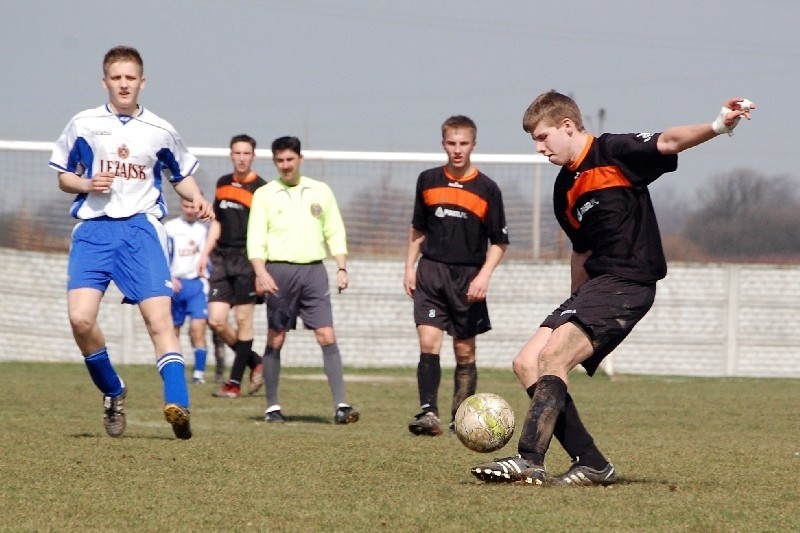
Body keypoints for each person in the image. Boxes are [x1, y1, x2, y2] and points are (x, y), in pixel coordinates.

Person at [471, 92, 755, 486]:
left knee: (553, 357)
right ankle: (592, 463)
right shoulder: (563, 189)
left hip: (631, 280)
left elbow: (670, 141)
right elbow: (581, 251)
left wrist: (718, 125)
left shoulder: (614, 152)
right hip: (596, 286)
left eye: (543, 137)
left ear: (568, 126)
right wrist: (573, 306)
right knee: (526, 362)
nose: (539, 148)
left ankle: (529, 459)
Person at [49, 45, 214, 440]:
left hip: (141, 231)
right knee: (80, 319)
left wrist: (196, 196)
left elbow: (180, 175)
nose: (124, 84)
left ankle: (178, 404)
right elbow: (63, 176)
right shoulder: (83, 123)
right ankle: (113, 390)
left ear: (142, 82)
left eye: (131, 78)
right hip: (93, 230)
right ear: (105, 81)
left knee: (158, 320)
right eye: (116, 77)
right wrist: (87, 183)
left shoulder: (160, 130)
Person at [403, 115, 509, 436]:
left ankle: (460, 419)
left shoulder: (488, 188)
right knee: (428, 340)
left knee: (464, 351)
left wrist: (484, 276)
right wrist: (409, 267)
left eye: (463, 144)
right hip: (431, 271)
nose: (457, 150)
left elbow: (500, 242)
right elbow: (418, 230)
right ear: (443, 144)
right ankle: (428, 413)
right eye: (452, 143)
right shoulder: (428, 180)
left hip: (468, 278)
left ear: (473, 145)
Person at [247, 136, 359, 424]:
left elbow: (335, 230)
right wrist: (260, 272)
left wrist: (341, 267)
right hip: (278, 273)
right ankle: (272, 407)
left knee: (326, 335)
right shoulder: (265, 194)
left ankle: (341, 405)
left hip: (313, 272)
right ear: (275, 162)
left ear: (300, 159)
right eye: (280, 161)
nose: (285, 165)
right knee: (276, 337)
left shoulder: (320, 191)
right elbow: (256, 237)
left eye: (290, 159)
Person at [200, 134, 267, 398]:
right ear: (231, 155)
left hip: (247, 259)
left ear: (253, 156)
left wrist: (263, 267)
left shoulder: (261, 189)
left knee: (243, 320)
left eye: (246, 153)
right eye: (237, 153)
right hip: (221, 259)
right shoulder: (222, 183)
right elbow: (216, 221)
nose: (241, 158)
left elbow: (265, 230)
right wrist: (204, 253)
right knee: (216, 320)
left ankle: (234, 383)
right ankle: (253, 360)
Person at [165, 198, 210, 384]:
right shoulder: (170, 227)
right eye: (186, 206)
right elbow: (162, 253)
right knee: (172, 330)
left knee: (197, 328)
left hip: (196, 285)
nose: (190, 210)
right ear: (181, 206)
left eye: (193, 206)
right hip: (176, 284)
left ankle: (199, 373)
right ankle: (174, 371)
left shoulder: (205, 229)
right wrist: (169, 277)